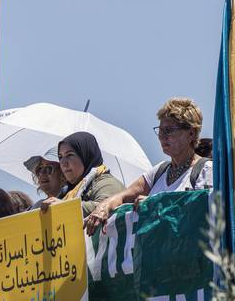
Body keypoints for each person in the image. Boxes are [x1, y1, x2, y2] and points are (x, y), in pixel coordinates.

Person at [85, 98, 214, 233]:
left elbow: (203, 214)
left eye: (169, 130)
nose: (162, 136)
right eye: (160, 130)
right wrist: (103, 208)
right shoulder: (160, 171)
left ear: (191, 133)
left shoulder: (207, 171)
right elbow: (122, 196)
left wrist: (157, 205)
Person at [37, 131, 125, 217]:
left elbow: (107, 207)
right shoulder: (66, 192)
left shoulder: (107, 183)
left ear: (86, 155)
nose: (63, 163)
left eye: (69, 155)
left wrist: (65, 207)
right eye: (60, 157)